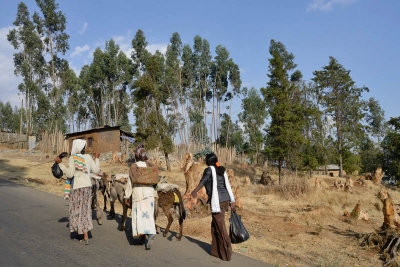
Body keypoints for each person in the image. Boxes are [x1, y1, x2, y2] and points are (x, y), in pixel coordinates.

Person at [55, 139, 100, 245]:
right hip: (88, 187)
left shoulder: (73, 158)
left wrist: (60, 164)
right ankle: (85, 233)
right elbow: (96, 170)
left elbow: (70, 174)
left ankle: (80, 232)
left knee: (76, 210)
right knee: (85, 210)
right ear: (83, 147)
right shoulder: (89, 157)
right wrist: (97, 158)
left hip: (77, 188)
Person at [191, 153, 235, 261]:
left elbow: (204, 181)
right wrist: (231, 201)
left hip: (218, 202)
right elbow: (226, 185)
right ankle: (216, 251)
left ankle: (226, 253)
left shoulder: (209, 170)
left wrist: (195, 191)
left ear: (208, 162)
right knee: (214, 226)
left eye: (206, 160)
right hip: (225, 200)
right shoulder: (220, 170)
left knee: (220, 227)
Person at [124, 144, 157, 250]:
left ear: (136, 156)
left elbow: (130, 183)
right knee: (149, 216)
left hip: (139, 193)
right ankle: (148, 235)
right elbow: (155, 181)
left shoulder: (134, 167)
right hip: (150, 193)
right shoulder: (150, 166)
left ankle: (145, 235)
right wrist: (155, 193)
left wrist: (127, 196)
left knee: (140, 216)